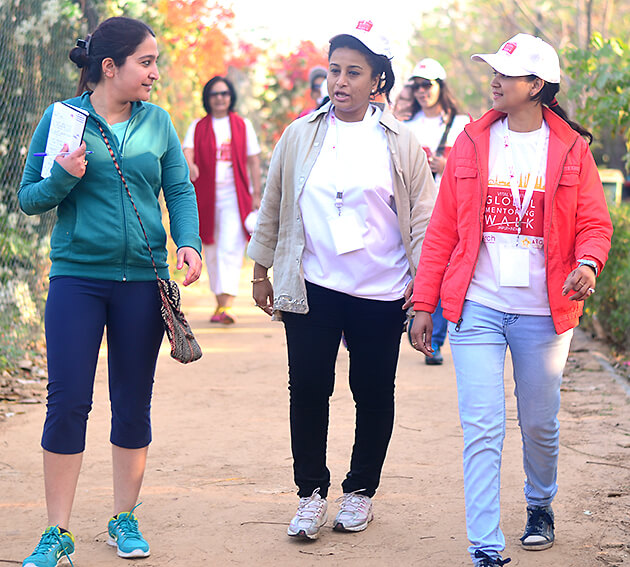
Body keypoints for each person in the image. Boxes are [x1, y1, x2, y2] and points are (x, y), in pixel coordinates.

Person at [407, 33, 613, 567]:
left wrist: (587, 265)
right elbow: (443, 232)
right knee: (482, 423)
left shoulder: (571, 148)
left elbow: (595, 223)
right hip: (478, 305)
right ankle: (485, 545)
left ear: (537, 86)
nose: (494, 80)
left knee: (539, 422)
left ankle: (540, 504)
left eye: (507, 73)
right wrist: (424, 304)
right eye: (493, 71)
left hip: (545, 312)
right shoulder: (473, 144)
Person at [18, 16, 202, 567]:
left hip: (143, 282)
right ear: (109, 66)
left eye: (154, 62)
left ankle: (124, 516)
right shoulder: (64, 120)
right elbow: (30, 197)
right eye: (145, 62)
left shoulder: (159, 123)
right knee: (69, 399)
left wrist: (187, 243)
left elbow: (178, 189)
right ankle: (57, 533)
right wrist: (63, 178)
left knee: (131, 399)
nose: (153, 72)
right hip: (78, 278)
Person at [248, 18, 436, 541]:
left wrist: (424, 291)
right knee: (308, 388)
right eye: (335, 71)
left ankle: (359, 491)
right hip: (313, 284)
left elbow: (423, 220)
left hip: (380, 288)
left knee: (373, 390)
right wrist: (262, 270)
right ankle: (310, 493)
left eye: (355, 72)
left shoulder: (401, 142)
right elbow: (275, 203)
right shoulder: (300, 134)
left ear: (378, 80)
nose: (341, 82)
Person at [182, 76, 262, 325]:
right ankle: (220, 303)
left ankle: (226, 305)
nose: (220, 98)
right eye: (215, 94)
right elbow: (187, 151)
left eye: (225, 93)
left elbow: (253, 160)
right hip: (205, 196)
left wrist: (257, 194)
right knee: (213, 250)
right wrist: (191, 165)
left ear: (231, 97)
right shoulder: (198, 126)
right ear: (208, 98)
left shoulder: (242, 125)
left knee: (231, 246)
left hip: (235, 196)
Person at [406, 58, 470, 365]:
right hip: (415, 210)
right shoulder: (407, 127)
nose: (421, 91)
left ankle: (437, 339)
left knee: (444, 272)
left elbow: (474, 168)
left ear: (440, 87)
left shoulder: (462, 125)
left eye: (426, 85)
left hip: (450, 210)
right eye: (416, 85)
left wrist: (447, 166)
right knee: (417, 269)